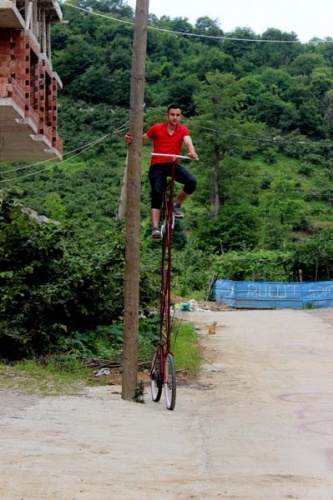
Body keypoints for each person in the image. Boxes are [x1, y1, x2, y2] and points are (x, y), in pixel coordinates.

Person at [124, 103, 198, 240]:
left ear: (180, 116)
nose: (175, 118)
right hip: (157, 165)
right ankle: (155, 228)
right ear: (167, 115)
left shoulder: (182, 130)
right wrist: (130, 139)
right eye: (172, 115)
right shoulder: (157, 128)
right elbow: (141, 140)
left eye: (177, 115)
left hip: (172, 164)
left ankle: (177, 205)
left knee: (192, 181)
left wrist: (191, 151)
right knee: (157, 193)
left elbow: (188, 141)